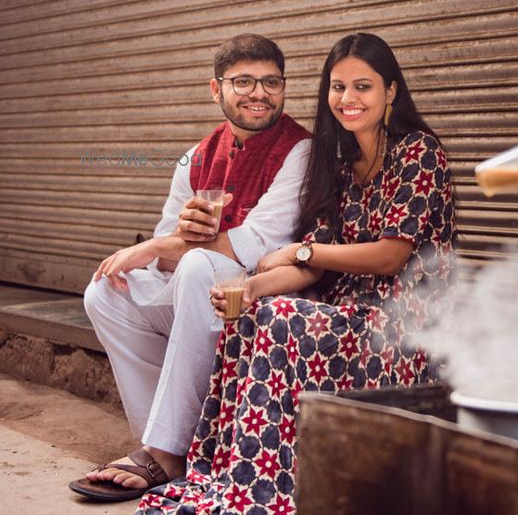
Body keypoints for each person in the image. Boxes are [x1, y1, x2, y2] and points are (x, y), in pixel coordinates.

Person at [134, 32, 457, 514]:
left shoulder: (418, 152)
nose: (348, 100)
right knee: (253, 314)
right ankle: (239, 475)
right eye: (338, 87)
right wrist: (249, 287)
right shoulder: (338, 166)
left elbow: (389, 256)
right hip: (346, 315)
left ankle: (268, 485)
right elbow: (308, 267)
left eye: (363, 87)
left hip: (406, 325)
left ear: (391, 91)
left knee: (282, 319)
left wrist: (304, 254)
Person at [70, 34, 311, 502]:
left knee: (200, 263)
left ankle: (163, 451)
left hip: (267, 294)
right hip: (203, 291)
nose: (258, 93)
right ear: (215, 89)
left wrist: (171, 245)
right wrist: (171, 240)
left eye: (271, 82)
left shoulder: (300, 150)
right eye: (242, 81)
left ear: (284, 88)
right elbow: (164, 252)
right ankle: (164, 448)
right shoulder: (196, 155)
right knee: (105, 291)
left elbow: (257, 243)